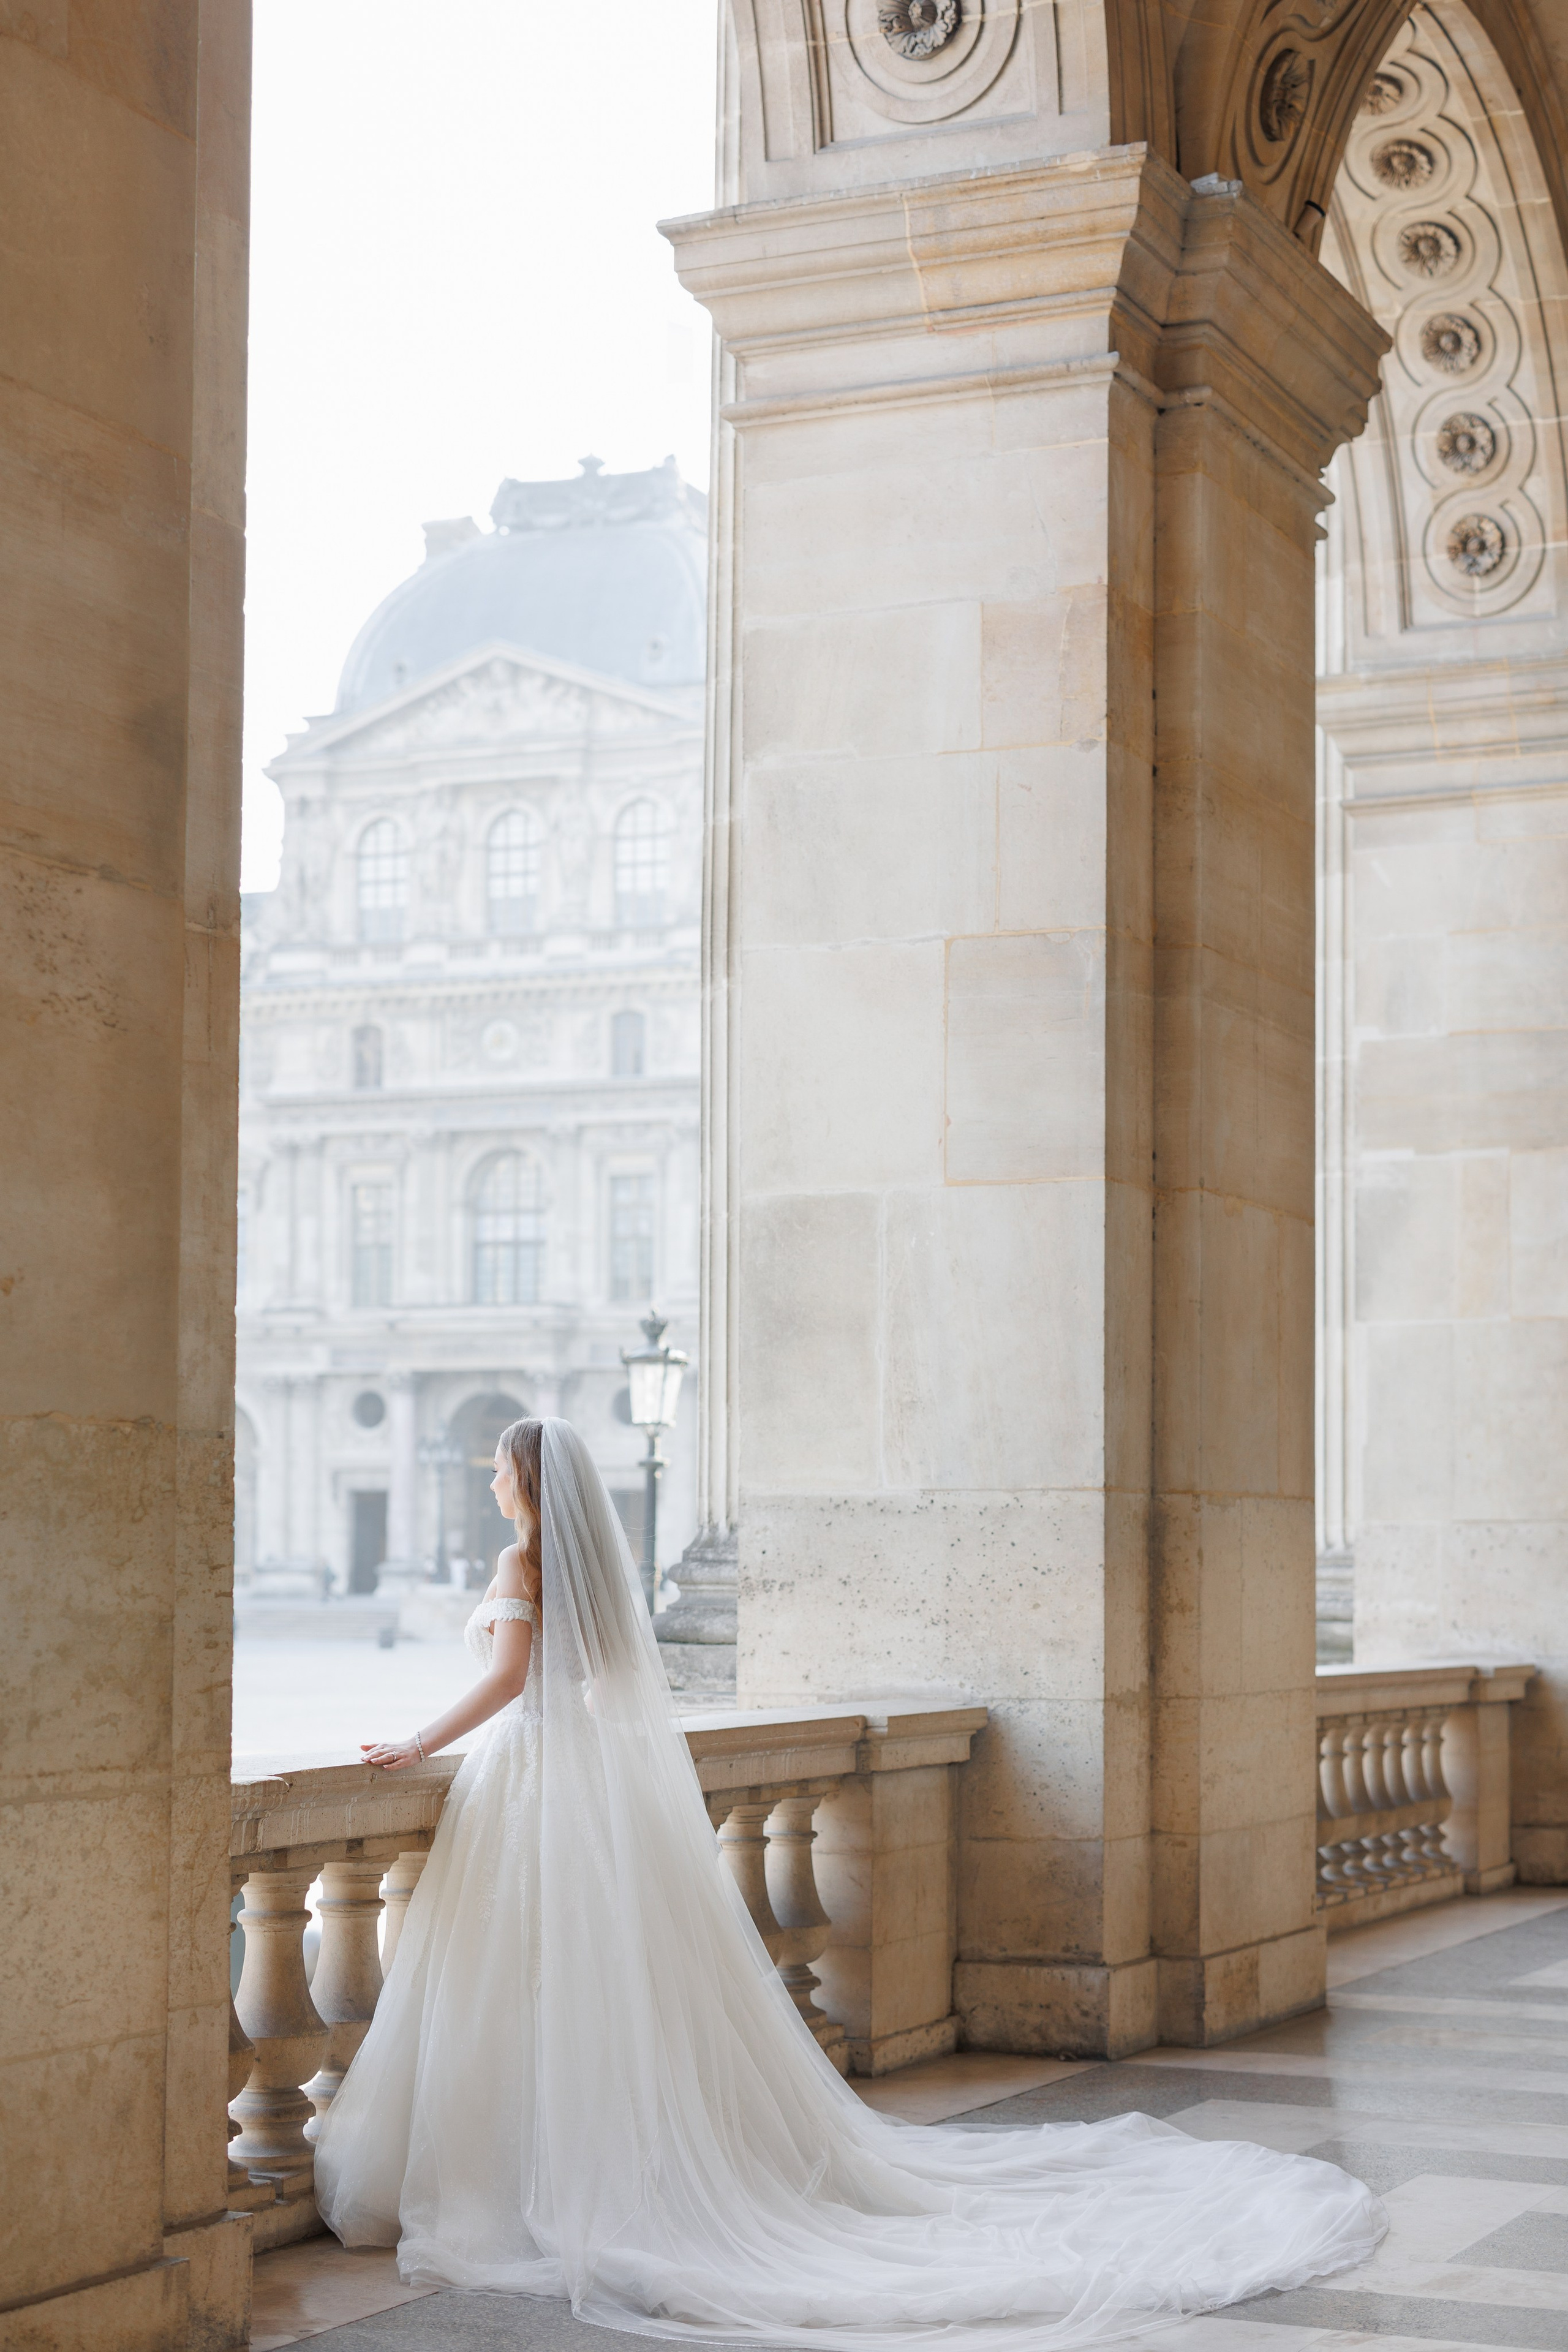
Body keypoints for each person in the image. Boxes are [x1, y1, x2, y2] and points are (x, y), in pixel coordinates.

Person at [315, 1417, 1384, 2347]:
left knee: (521, 1980)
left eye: (500, 1471)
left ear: (526, 1482)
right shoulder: (584, 1571)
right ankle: (575, 2165)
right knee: (591, 1985)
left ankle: (513, 2174)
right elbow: (604, 1680)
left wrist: (416, 1743)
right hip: (581, 1774)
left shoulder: (521, 1564)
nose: (492, 1483)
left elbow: (510, 1679)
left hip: (533, 1775)